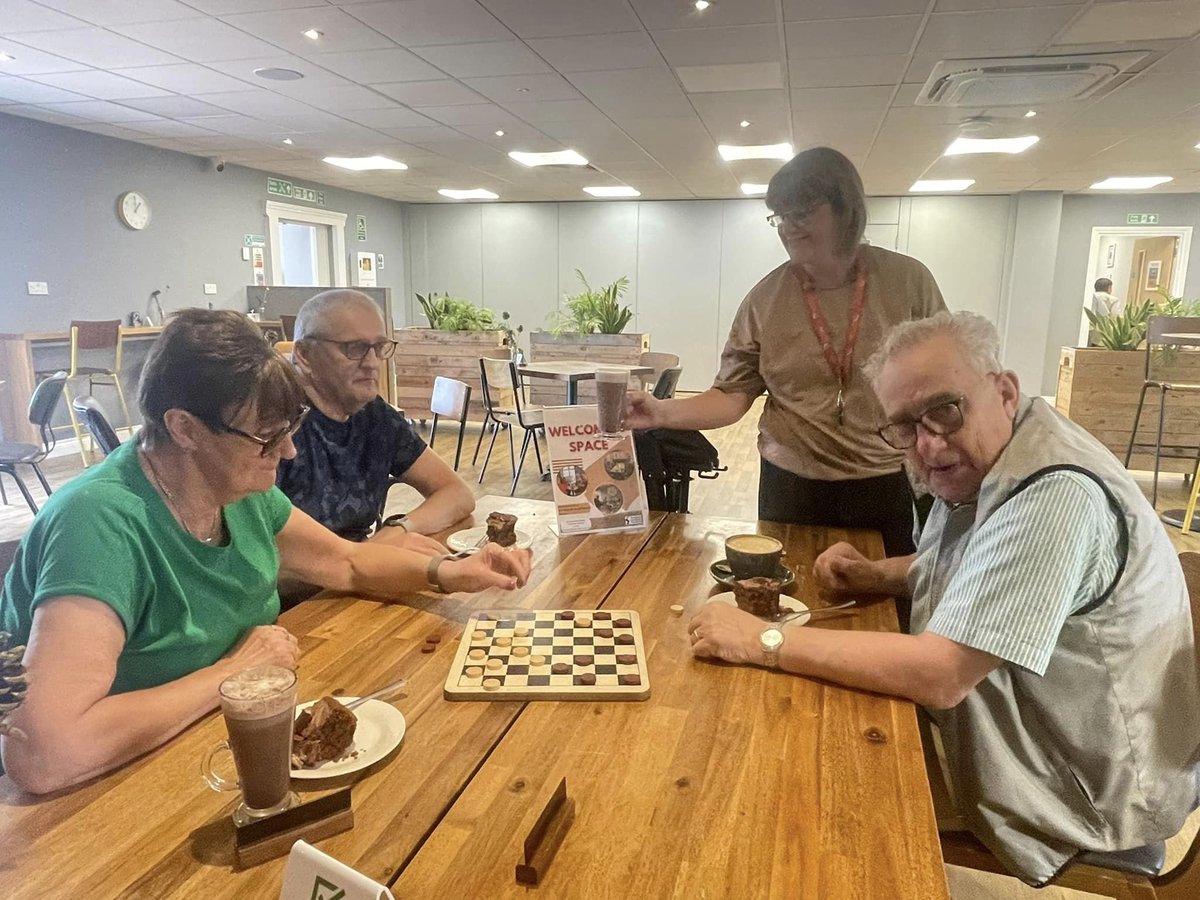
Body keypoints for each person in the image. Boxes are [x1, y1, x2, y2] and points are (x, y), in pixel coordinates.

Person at [686, 311, 1200, 886]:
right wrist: (880, 576)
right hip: (1037, 742)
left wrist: (763, 638)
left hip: (1079, 796)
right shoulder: (1016, 445)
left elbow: (941, 674)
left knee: (788, 787)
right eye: (905, 426)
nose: (928, 444)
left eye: (944, 410)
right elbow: (994, 565)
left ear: (1002, 390)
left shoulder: (1056, 494)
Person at [0, 310, 531, 795]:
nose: (289, 451)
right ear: (184, 428)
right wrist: (235, 675)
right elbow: (46, 754)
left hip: (215, 747)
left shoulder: (237, 491)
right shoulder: (97, 523)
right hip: (107, 794)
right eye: (266, 436)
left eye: (291, 430)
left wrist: (450, 571)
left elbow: (346, 561)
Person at [625, 146, 945, 556]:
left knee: (880, 605)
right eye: (780, 216)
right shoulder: (765, 299)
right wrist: (661, 412)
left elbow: (943, 380)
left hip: (883, 480)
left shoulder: (908, 282)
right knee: (784, 602)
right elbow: (732, 395)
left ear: (845, 209)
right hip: (791, 484)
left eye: (802, 213)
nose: (788, 228)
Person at [277, 289, 475, 546]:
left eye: (379, 347)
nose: (372, 363)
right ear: (304, 354)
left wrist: (399, 531)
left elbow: (457, 494)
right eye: (355, 348)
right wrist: (358, 560)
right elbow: (261, 557)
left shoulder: (375, 416)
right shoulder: (272, 424)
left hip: (357, 572)